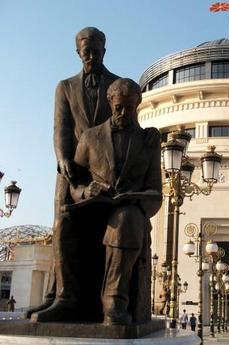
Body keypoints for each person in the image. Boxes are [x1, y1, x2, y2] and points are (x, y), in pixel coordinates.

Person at [30, 27, 120, 322]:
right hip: (72, 168)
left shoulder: (117, 85)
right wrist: (62, 159)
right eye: (86, 52)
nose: (91, 56)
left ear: (104, 50)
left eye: (96, 51)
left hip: (105, 168)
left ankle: (96, 299)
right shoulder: (65, 86)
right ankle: (62, 297)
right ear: (78, 52)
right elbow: (60, 128)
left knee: (101, 228)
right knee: (61, 223)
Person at [70, 78, 162, 325]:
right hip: (92, 210)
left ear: (138, 106)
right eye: (118, 107)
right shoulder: (90, 137)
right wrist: (87, 191)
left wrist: (136, 199)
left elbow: (156, 192)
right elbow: (73, 184)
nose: (123, 113)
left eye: (129, 108)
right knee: (64, 224)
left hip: (129, 212)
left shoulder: (149, 141)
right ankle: (66, 298)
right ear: (111, 103)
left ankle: (114, 300)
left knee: (127, 217)